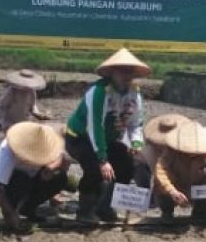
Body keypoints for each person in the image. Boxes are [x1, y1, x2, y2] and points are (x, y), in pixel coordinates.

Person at [64, 48, 149, 223]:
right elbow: (95, 127)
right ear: (112, 72)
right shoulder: (98, 92)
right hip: (80, 138)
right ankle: (85, 210)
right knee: (94, 168)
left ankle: (105, 205)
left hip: (109, 139)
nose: (126, 76)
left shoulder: (135, 94)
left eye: (130, 71)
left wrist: (136, 144)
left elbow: (136, 123)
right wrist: (103, 160)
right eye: (121, 71)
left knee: (127, 164)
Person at [0, 121, 69, 232]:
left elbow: (61, 157)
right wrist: (9, 212)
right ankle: (13, 210)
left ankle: (28, 209)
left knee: (60, 177)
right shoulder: (8, 152)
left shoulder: (47, 141)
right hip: (13, 183)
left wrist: (50, 168)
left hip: (36, 177)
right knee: (21, 179)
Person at [154, 120, 206, 225]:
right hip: (178, 186)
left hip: (199, 186)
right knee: (159, 185)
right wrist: (172, 191)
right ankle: (167, 212)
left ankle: (201, 212)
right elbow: (160, 170)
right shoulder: (171, 152)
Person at [0, 70, 50, 134]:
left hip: (24, 123)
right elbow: (2, 106)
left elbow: (32, 106)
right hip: (10, 123)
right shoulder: (12, 91)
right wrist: (0, 122)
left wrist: (38, 114)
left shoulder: (31, 92)